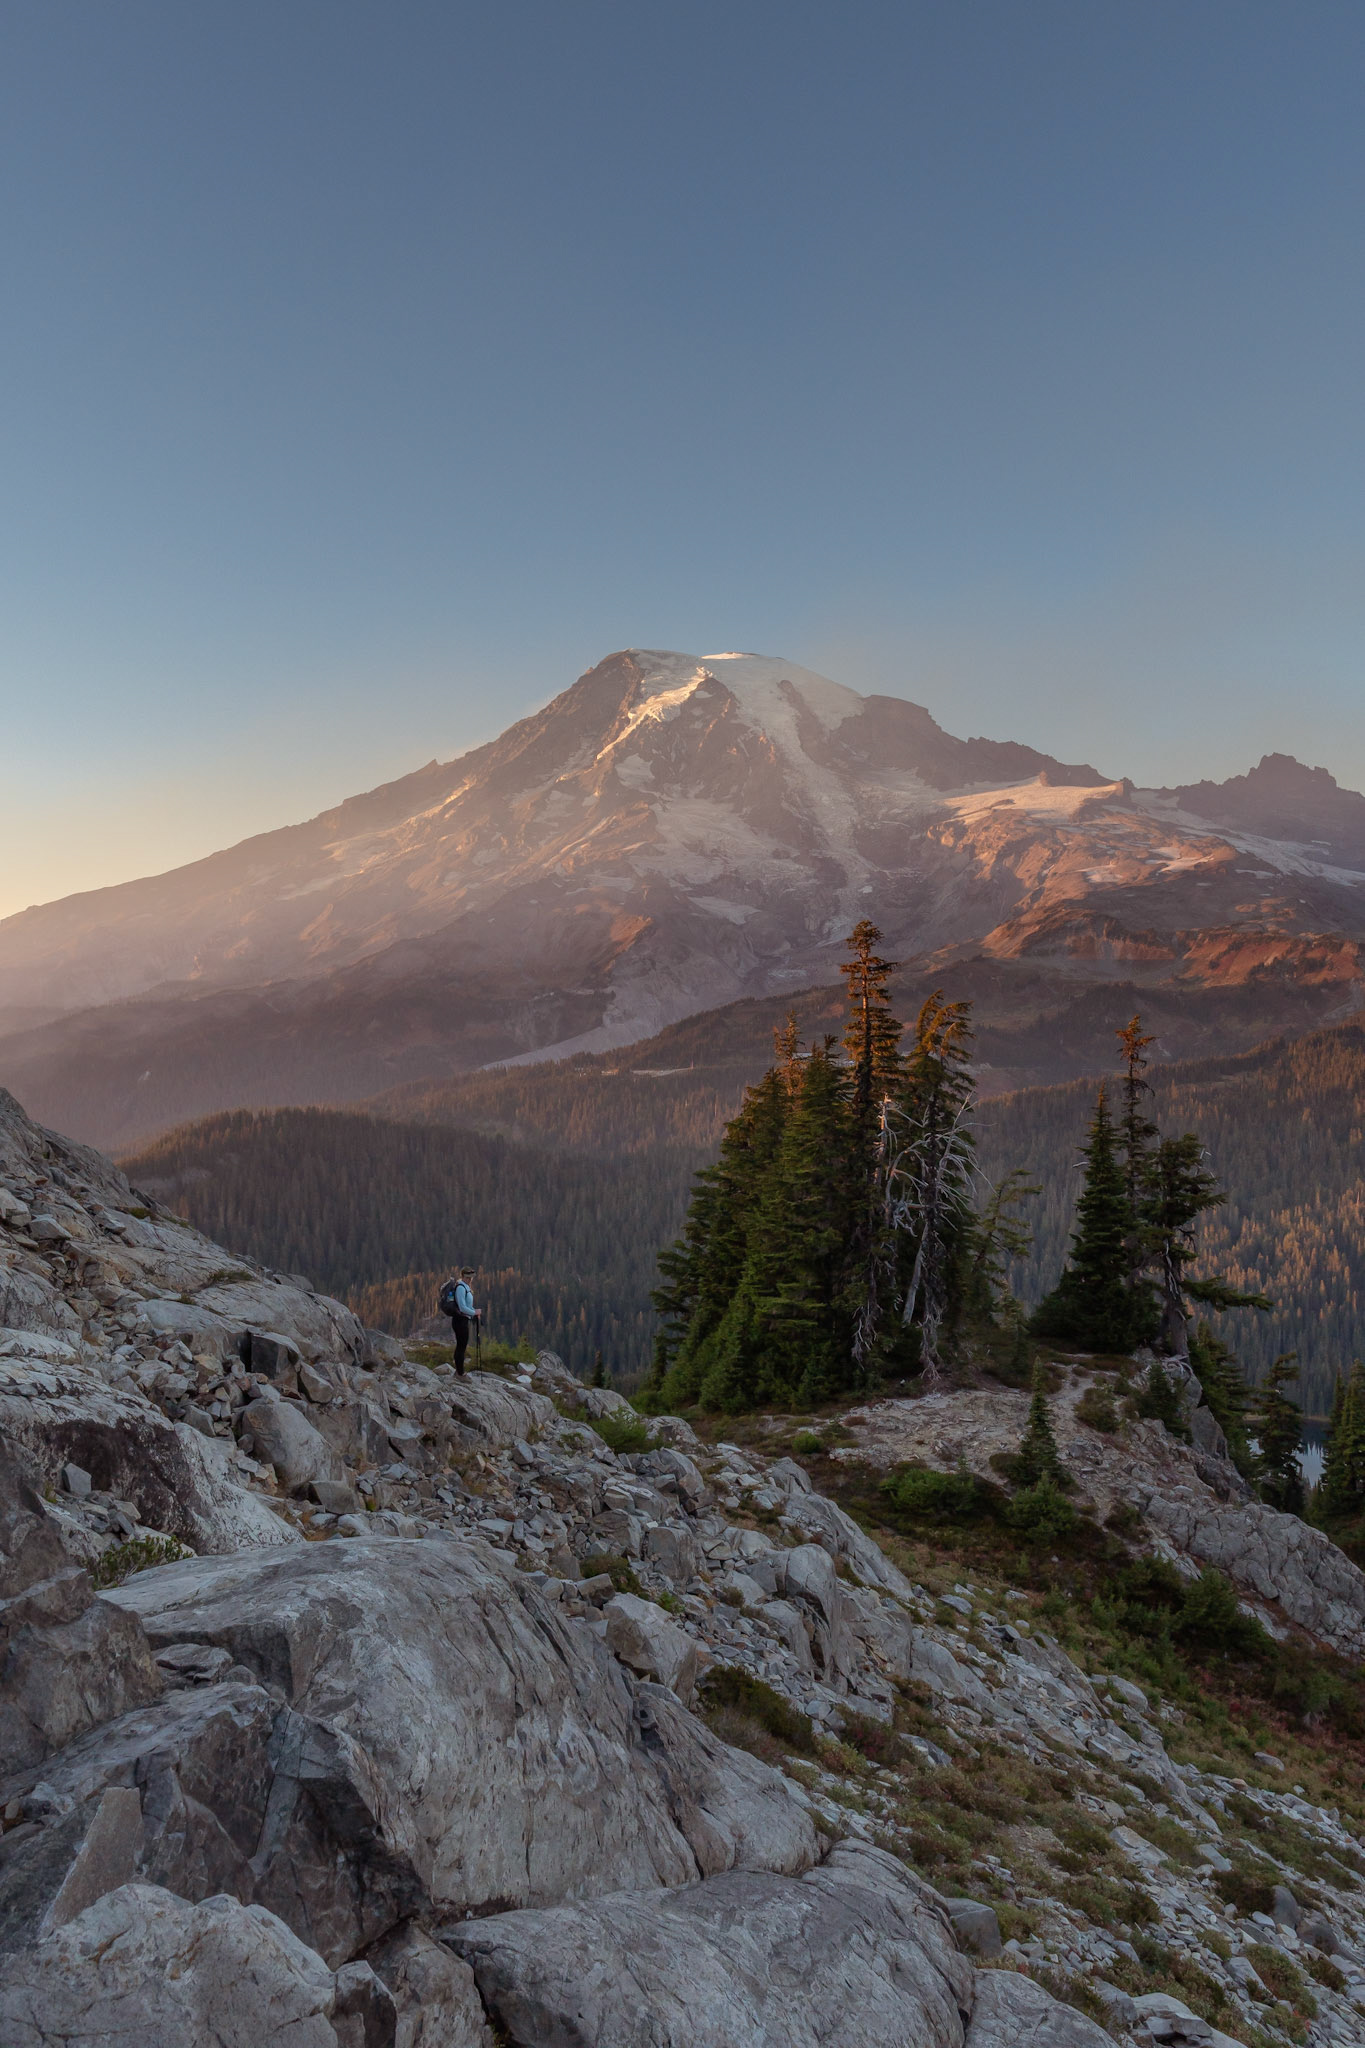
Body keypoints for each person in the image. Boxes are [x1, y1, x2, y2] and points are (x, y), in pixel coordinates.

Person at [449, 1267, 479, 1375]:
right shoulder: (461, 1287)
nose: (469, 1280)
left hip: (463, 1320)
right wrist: (474, 1313)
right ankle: (460, 1374)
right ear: (462, 1276)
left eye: (471, 1278)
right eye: (467, 1277)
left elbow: (467, 1306)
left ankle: (459, 1372)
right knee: (461, 1347)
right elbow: (462, 1307)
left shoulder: (465, 1286)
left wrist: (474, 1312)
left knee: (462, 1346)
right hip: (460, 1321)